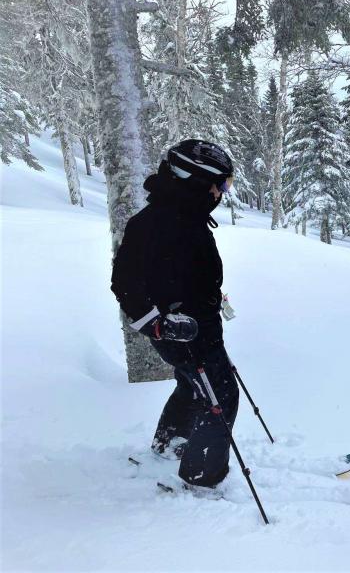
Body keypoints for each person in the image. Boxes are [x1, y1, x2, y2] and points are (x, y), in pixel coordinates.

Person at [111, 139, 238, 488]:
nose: (222, 192)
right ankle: (202, 478)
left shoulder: (186, 216)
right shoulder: (155, 223)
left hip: (200, 326)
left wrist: (211, 295)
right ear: (195, 180)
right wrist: (157, 324)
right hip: (180, 330)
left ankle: (168, 446)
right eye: (221, 183)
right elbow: (124, 282)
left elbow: (181, 272)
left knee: (192, 386)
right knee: (221, 395)